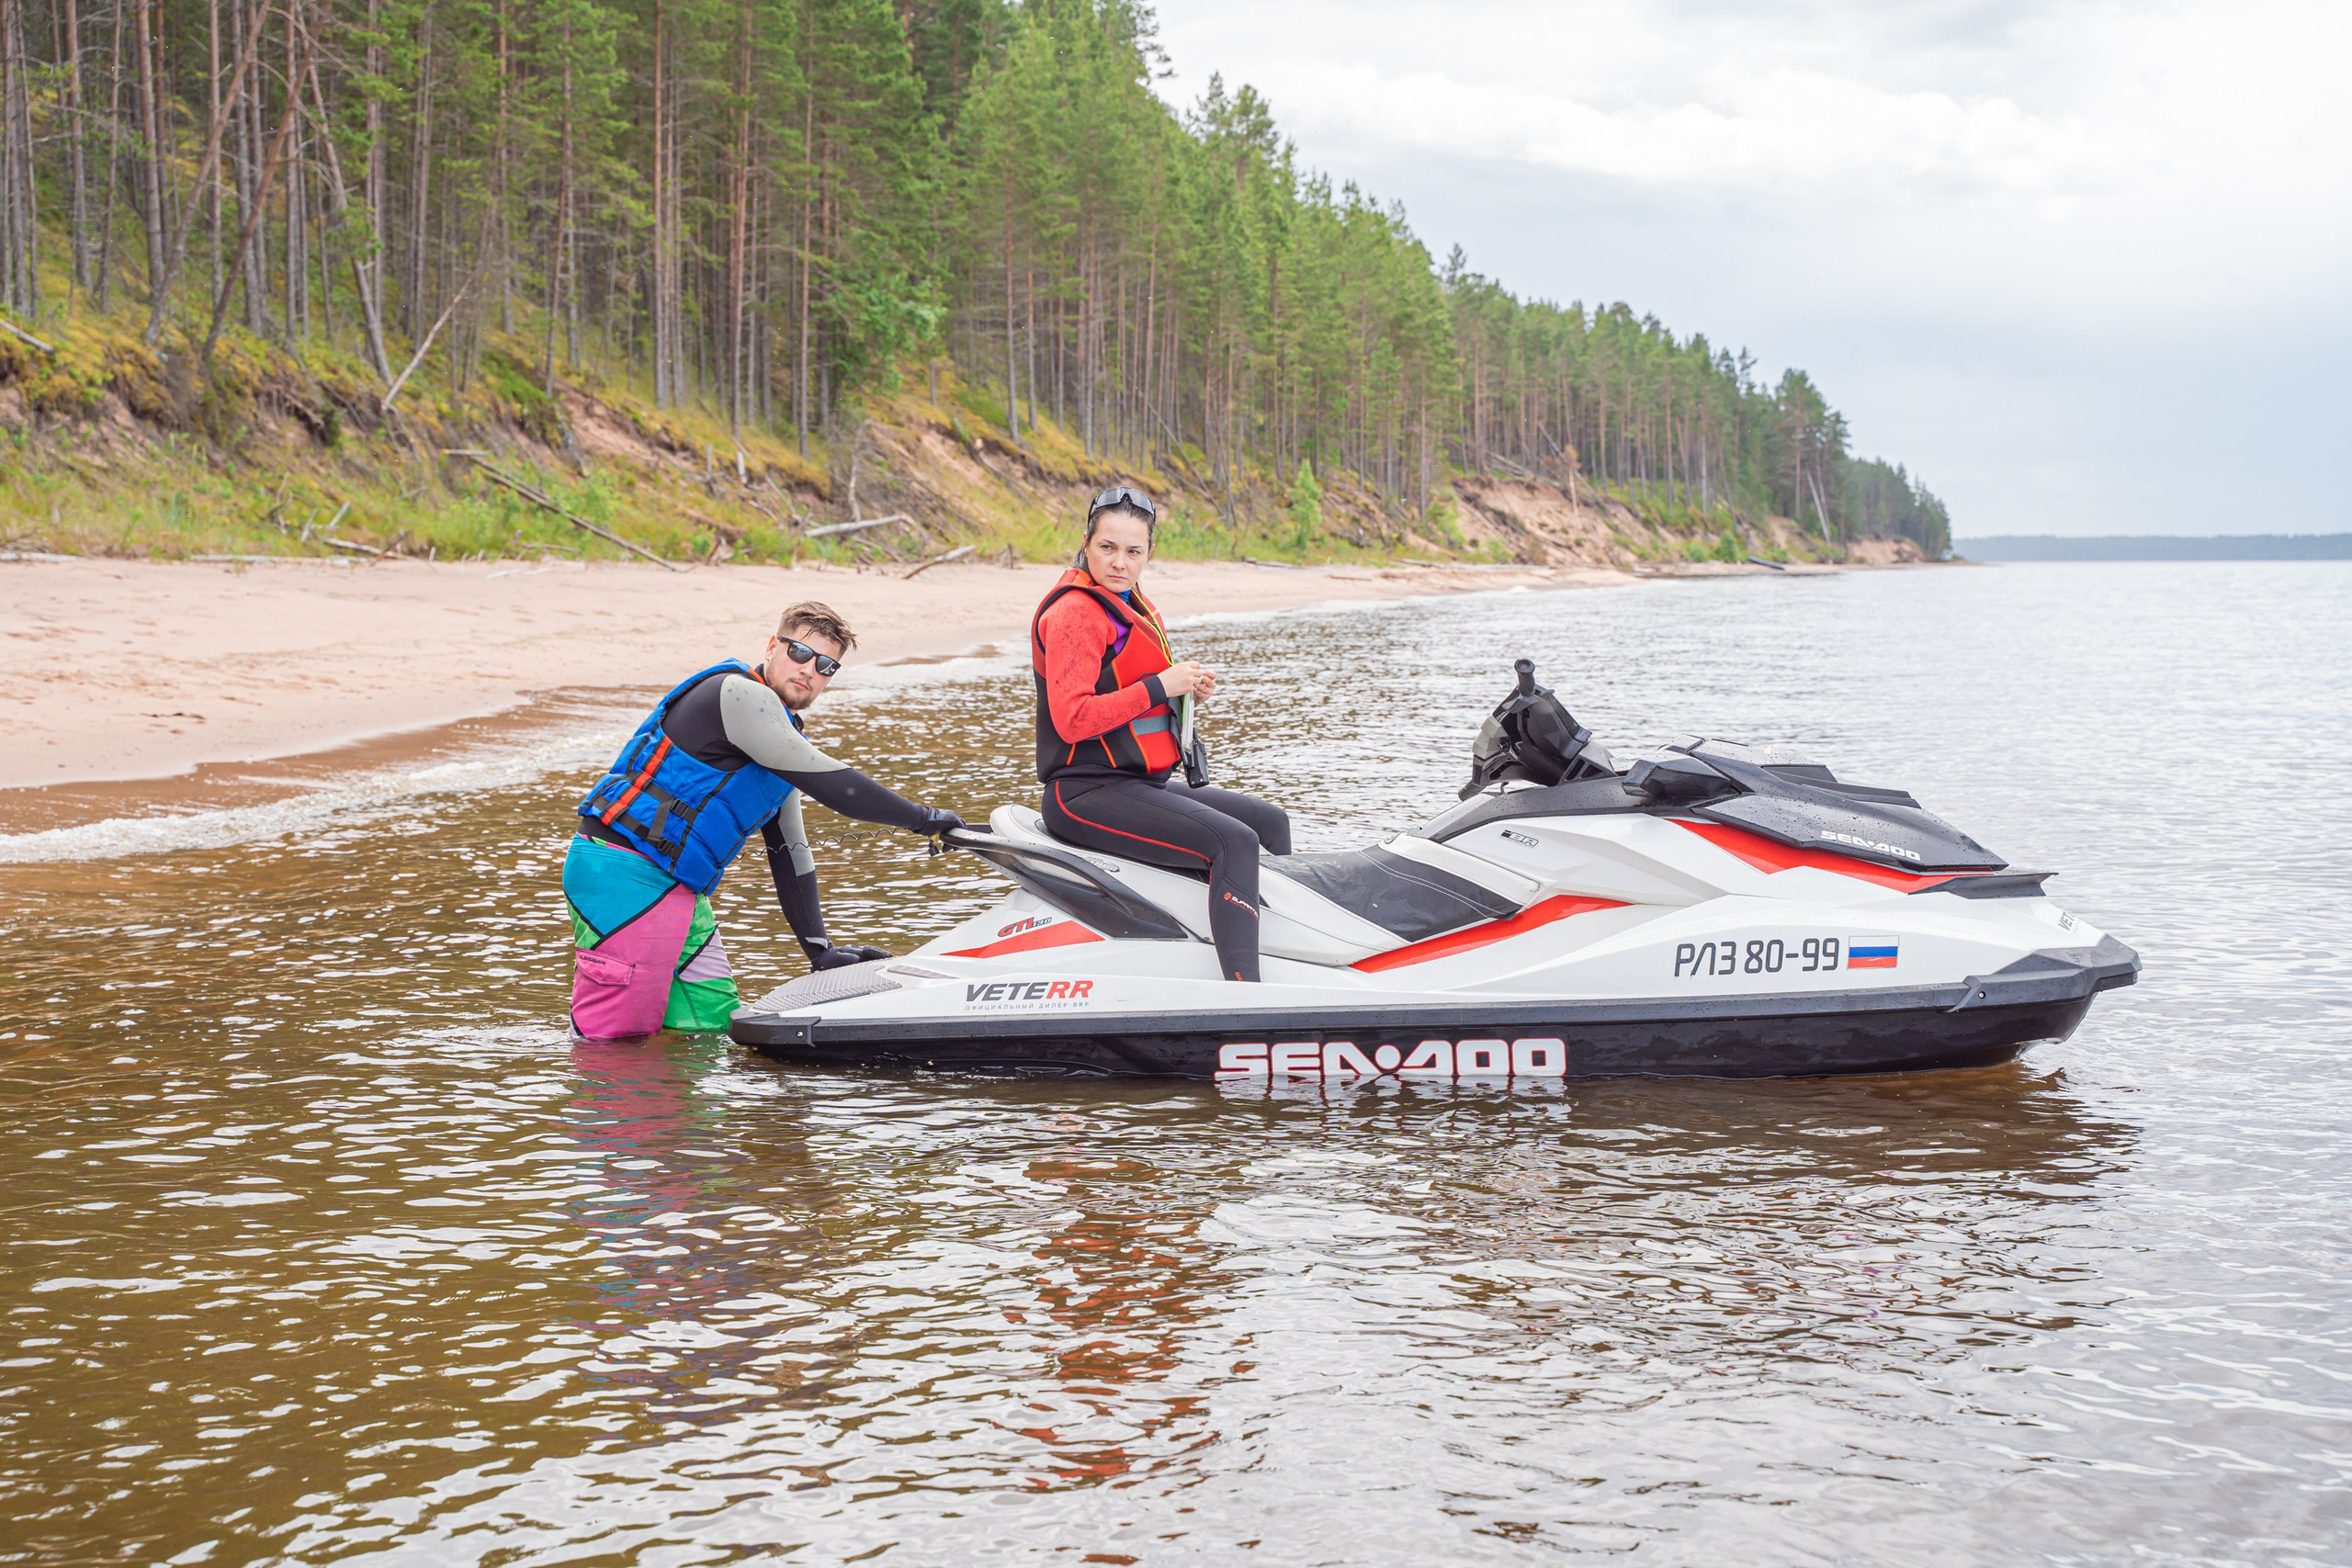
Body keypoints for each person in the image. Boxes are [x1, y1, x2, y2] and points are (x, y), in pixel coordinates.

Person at [564, 603, 962, 1039]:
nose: (809, 670)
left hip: (678, 889)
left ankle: (669, 1089)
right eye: (800, 652)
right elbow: (838, 788)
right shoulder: (739, 695)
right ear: (773, 646)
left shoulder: (780, 736)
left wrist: (819, 949)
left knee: (709, 1029)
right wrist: (928, 819)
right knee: (615, 1037)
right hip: (622, 871)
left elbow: (789, 852)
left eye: (826, 665)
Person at [1032, 486, 1293, 981]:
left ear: (1150, 552)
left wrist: (1185, 694)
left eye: (1133, 551)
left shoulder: (1130, 604)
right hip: (1082, 793)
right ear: (1086, 544)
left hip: (1135, 784)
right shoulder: (1076, 612)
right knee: (1234, 841)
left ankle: (1289, 950)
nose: (1120, 563)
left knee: (1269, 822)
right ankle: (1246, 990)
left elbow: (1132, 697)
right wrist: (1159, 686)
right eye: (1107, 547)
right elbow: (1073, 720)